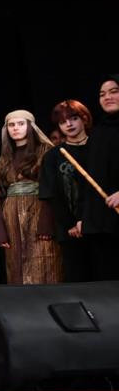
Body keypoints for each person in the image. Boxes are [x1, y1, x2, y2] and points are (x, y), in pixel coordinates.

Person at [0, 110, 62, 284]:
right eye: (11, 125)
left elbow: (53, 188)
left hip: (39, 212)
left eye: (21, 124)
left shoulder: (46, 151)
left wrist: (46, 223)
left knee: (44, 263)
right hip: (12, 217)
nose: (15, 128)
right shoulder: (5, 157)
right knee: (16, 266)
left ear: (30, 126)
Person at [39, 100, 93, 282]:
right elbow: (52, 195)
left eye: (74, 118)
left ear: (84, 119)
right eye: (63, 122)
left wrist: (87, 221)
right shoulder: (53, 156)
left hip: (101, 225)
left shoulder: (99, 148)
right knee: (78, 280)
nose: (69, 124)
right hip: (70, 231)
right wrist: (71, 224)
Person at [80, 76, 119, 281]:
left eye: (114, 91)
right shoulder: (98, 132)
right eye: (102, 94)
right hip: (101, 223)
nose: (107, 97)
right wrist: (85, 218)